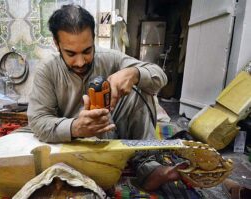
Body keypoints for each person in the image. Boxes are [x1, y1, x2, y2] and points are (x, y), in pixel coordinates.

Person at [27, 4, 184, 192]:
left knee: (142, 85)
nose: (80, 62)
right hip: (72, 145)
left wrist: (133, 73)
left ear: (93, 39)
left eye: (87, 51)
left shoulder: (110, 58)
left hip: (112, 132)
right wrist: (75, 127)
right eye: (71, 53)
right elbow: (37, 121)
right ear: (56, 43)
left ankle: (148, 168)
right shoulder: (47, 71)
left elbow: (159, 76)